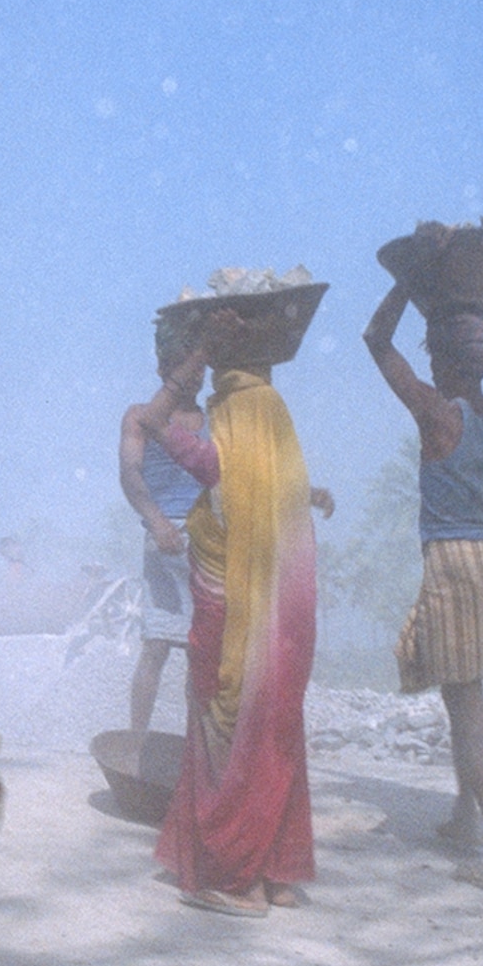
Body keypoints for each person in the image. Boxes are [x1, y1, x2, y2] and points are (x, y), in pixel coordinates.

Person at [362, 233, 483, 891]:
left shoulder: (435, 415)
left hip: (454, 563)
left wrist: (408, 282)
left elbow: (375, 342)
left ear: (439, 357)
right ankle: (462, 817)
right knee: (467, 696)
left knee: (465, 706)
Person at [152, 301, 334, 918]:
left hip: (225, 607)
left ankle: (236, 878)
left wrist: (196, 356)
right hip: (284, 614)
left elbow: (153, 424)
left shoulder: (221, 436)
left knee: (221, 728)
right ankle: (280, 874)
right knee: (277, 726)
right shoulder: (277, 428)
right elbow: (274, 487)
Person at [116, 335, 210, 735]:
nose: (195, 376)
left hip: (208, 539)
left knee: (202, 650)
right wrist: (156, 521)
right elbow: (130, 473)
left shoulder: (216, 419)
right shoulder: (140, 416)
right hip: (164, 534)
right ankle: (136, 741)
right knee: (156, 645)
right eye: (184, 367)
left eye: (199, 368)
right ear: (163, 370)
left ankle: (197, 749)